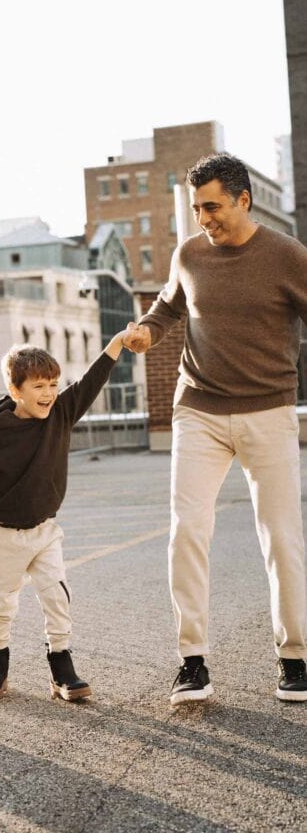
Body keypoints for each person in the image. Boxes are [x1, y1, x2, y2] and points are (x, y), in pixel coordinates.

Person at [123, 153, 307, 705]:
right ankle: (192, 662)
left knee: (280, 535)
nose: (204, 217)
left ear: (243, 200)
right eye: (197, 207)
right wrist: (147, 334)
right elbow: (164, 308)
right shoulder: (189, 254)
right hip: (198, 409)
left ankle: (295, 658)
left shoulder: (285, 255)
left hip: (268, 410)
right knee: (187, 529)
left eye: (213, 206)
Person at [0, 331, 126, 702]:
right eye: (38, 386)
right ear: (15, 390)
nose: (48, 393)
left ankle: (61, 664)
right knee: (1, 603)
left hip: (46, 531)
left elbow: (90, 382)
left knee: (56, 597)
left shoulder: (61, 413)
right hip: (5, 535)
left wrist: (115, 345)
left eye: (52, 384)